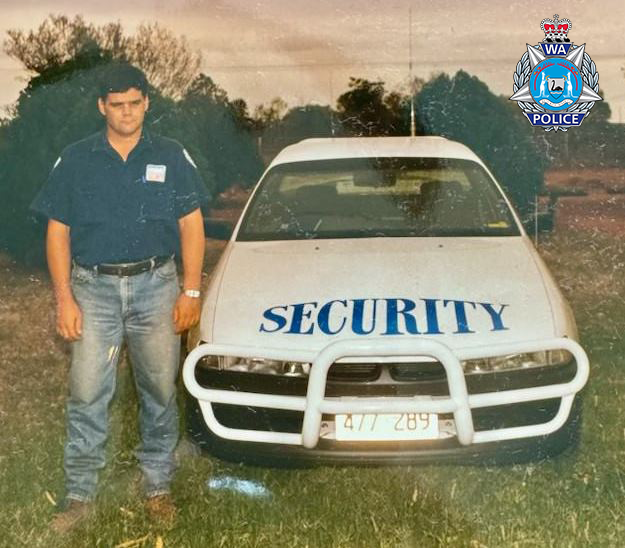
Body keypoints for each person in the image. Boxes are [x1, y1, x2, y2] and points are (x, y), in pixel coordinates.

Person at [30, 63, 209, 533]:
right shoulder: (76, 158)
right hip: (94, 290)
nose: (126, 113)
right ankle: (79, 496)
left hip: (156, 286)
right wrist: (64, 299)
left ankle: (156, 487)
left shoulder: (170, 155)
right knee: (87, 393)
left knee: (159, 390)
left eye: (134, 103)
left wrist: (191, 289)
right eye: (116, 105)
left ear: (147, 102)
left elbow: (192, 224)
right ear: (102, 107)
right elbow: (58, 232)